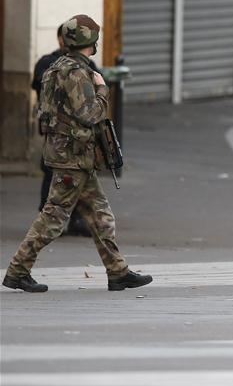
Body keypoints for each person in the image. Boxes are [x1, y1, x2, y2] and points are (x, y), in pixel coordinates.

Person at [2, 15, 152, 293]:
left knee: (100, 216)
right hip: (73, 158)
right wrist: (102, 89)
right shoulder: (77, 73)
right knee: (53, 217)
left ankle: (118, 272)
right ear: (91, 42)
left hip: (72, 156)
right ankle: (17, 271)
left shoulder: (56, 67)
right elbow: (90, 114)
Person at [32, 22, 98, 237]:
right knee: (53, 176)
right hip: (61, 135)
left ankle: (81, 220)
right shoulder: (51, 64)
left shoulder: (82, 66)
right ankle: (48, 219)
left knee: (81, 178)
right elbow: (39, 84)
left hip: (75, 137)